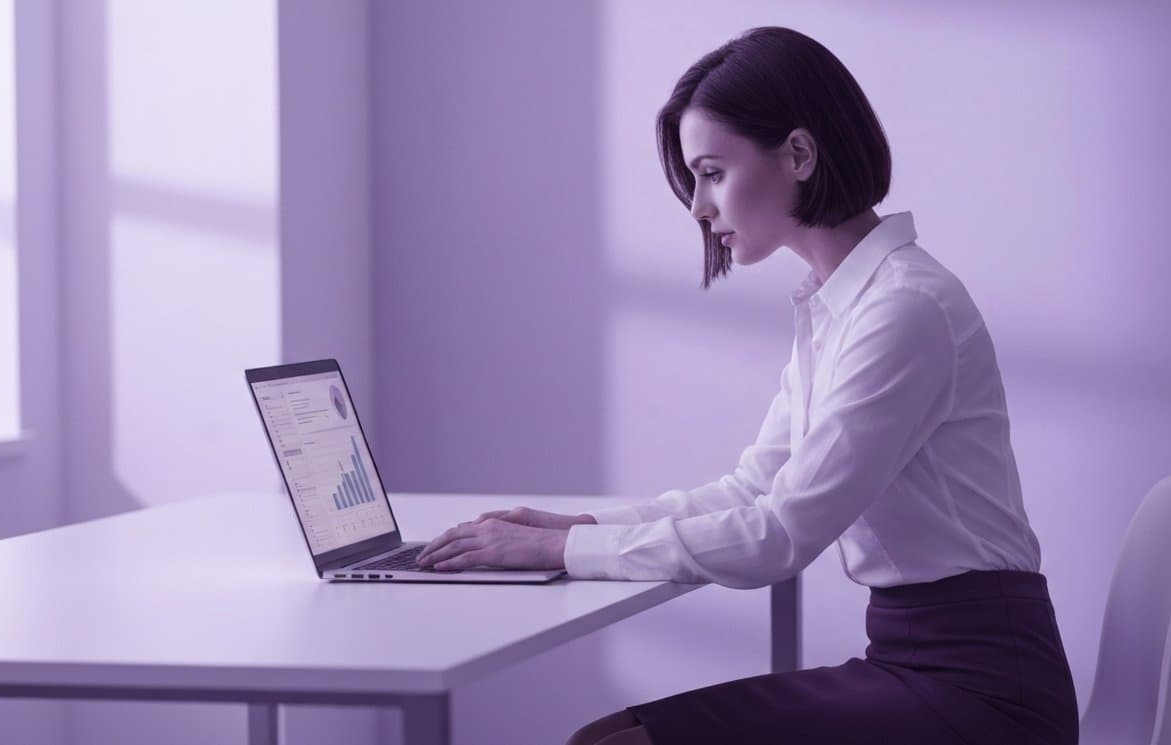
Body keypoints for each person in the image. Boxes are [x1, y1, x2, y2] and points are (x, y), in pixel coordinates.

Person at [415, 25, 1079, 745]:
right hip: (912, 659)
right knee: (601, 738)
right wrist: (585, 529)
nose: (699, 205)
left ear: (798, 154)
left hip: (987, 691)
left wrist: (559, 555)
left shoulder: (903, 309)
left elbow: (779, 535)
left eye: (711, 172)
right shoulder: (840, 305)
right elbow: (752, 488)